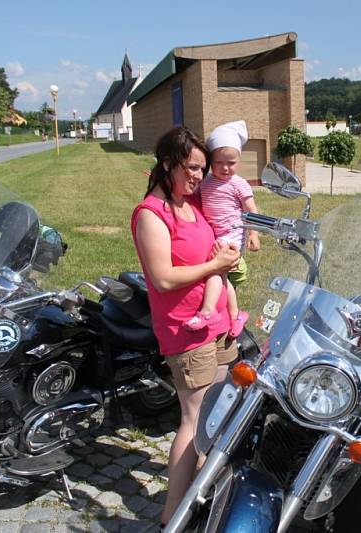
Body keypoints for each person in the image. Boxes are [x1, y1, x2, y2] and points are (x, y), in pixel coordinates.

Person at [130, 126, 241, 526]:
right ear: (167, 163)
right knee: (194, 422)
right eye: (191, 167)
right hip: (186, 331)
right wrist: (215, 265)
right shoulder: (151, 214)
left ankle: (200, 493)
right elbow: (161, 278)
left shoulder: (191, 204)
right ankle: (171, 517)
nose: (198, 175)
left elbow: (229, 211)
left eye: (202, 168)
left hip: (220, 324)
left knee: (219, 415)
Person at [181, 120, 260, 335]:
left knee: (215, 269)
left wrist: (253, 233)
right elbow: (191, 195)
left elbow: (251, 209)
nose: (225, 168)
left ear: (239, 161)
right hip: (215, 234)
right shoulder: (206, 182)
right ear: (210, 162)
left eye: (231, 163)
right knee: (223, 276)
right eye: (219, 163)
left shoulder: (238, 183)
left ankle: (207, 312)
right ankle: (235, 315)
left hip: (232, 234)